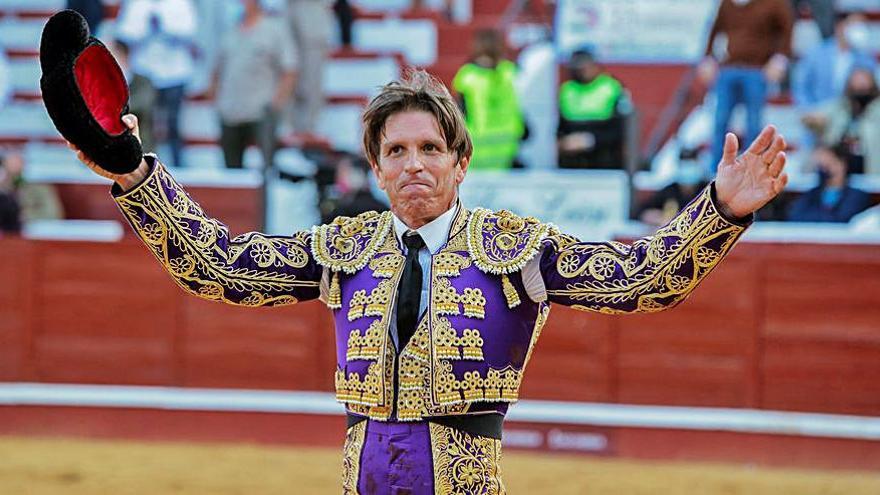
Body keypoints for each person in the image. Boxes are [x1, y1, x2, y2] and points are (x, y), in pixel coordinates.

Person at [68, 70, 788, 493]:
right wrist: (137, 175)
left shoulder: (514, 249)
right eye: (397, 150)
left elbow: (642, 279)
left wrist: (720, 209)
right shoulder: (345, 248)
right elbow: (219, 267)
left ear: (459, 161)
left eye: (430, 148)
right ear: (376, 168)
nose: (414, 163)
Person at [700, 0, 793, 170]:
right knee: (720, 119)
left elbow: (786, 30)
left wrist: (780, 59)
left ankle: (750, 168)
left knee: (754, 122)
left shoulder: (774, 3)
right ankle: (717, 168)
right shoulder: (728, 3)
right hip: (729, 67)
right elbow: (714, 29)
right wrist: (708, 57)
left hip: (757, 69)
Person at [211, 0, 298, 170]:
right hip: (230, 111)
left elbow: (290, 70)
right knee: (231, 172)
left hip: (261, 109)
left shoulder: (274, 29)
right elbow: (217, 69)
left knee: (267, 169)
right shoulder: (230, 30)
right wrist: (217, 101)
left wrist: (276, 104)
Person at [116, 0, 198, 167]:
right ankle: (147, 164)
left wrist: (163, 26)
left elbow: (190, 31)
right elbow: (124, 33)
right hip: (145, 72)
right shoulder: (136, 4)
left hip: (175, 73)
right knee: (145, 123)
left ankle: (178, 165)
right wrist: (146, 27)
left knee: (173, 123)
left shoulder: (180, 3)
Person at [453, 29, 526, 170]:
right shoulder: (510, 72)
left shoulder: (467, 76)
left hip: (476, 155)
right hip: (508, 153)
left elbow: (459, 116)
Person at [557, 48, 630, 169]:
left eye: (584, 66)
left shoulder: (611, 88)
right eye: (577, 67)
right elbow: (561, 127)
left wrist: (589, 140)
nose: (581, 71)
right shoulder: (567, 90)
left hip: (604, 162)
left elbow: (621, 130)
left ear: (595, 65)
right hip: (572, 164)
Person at [802, 67, 880, 175]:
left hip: (870, 168)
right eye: (857, 87)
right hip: (839, 167)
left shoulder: (877, 109)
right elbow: (810, 117)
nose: (861, 89)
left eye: (864, 87)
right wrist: (814, 120)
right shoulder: (839, 107)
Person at [792, 12, 876, 111]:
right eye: (854, 25)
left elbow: (872, 91)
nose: (859, 30)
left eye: (861, 25)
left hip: (852, 118)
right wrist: (809, 111)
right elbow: (801, 86)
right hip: (818, 115)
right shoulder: (816, 53)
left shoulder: (866, 58)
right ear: (840, 27)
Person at [787, 143, 870, 222]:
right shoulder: (812, 194)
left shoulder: (857, 196)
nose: (825, 170)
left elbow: (842, 219)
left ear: (842, 164)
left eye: (830, 163)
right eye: (822, 166)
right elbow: (795, 216)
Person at [286, 0, 333, 134]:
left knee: (311, 83)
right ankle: (290, 134)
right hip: (288, 19)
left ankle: (310, 135)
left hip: (313, 23)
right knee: (287, 76)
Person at [638, 148, 710, 226]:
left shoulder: (709, 190)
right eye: (684, 166)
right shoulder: (670, 190)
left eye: (690, 165)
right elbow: (643, 212)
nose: (687, 170)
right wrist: (660, 218)